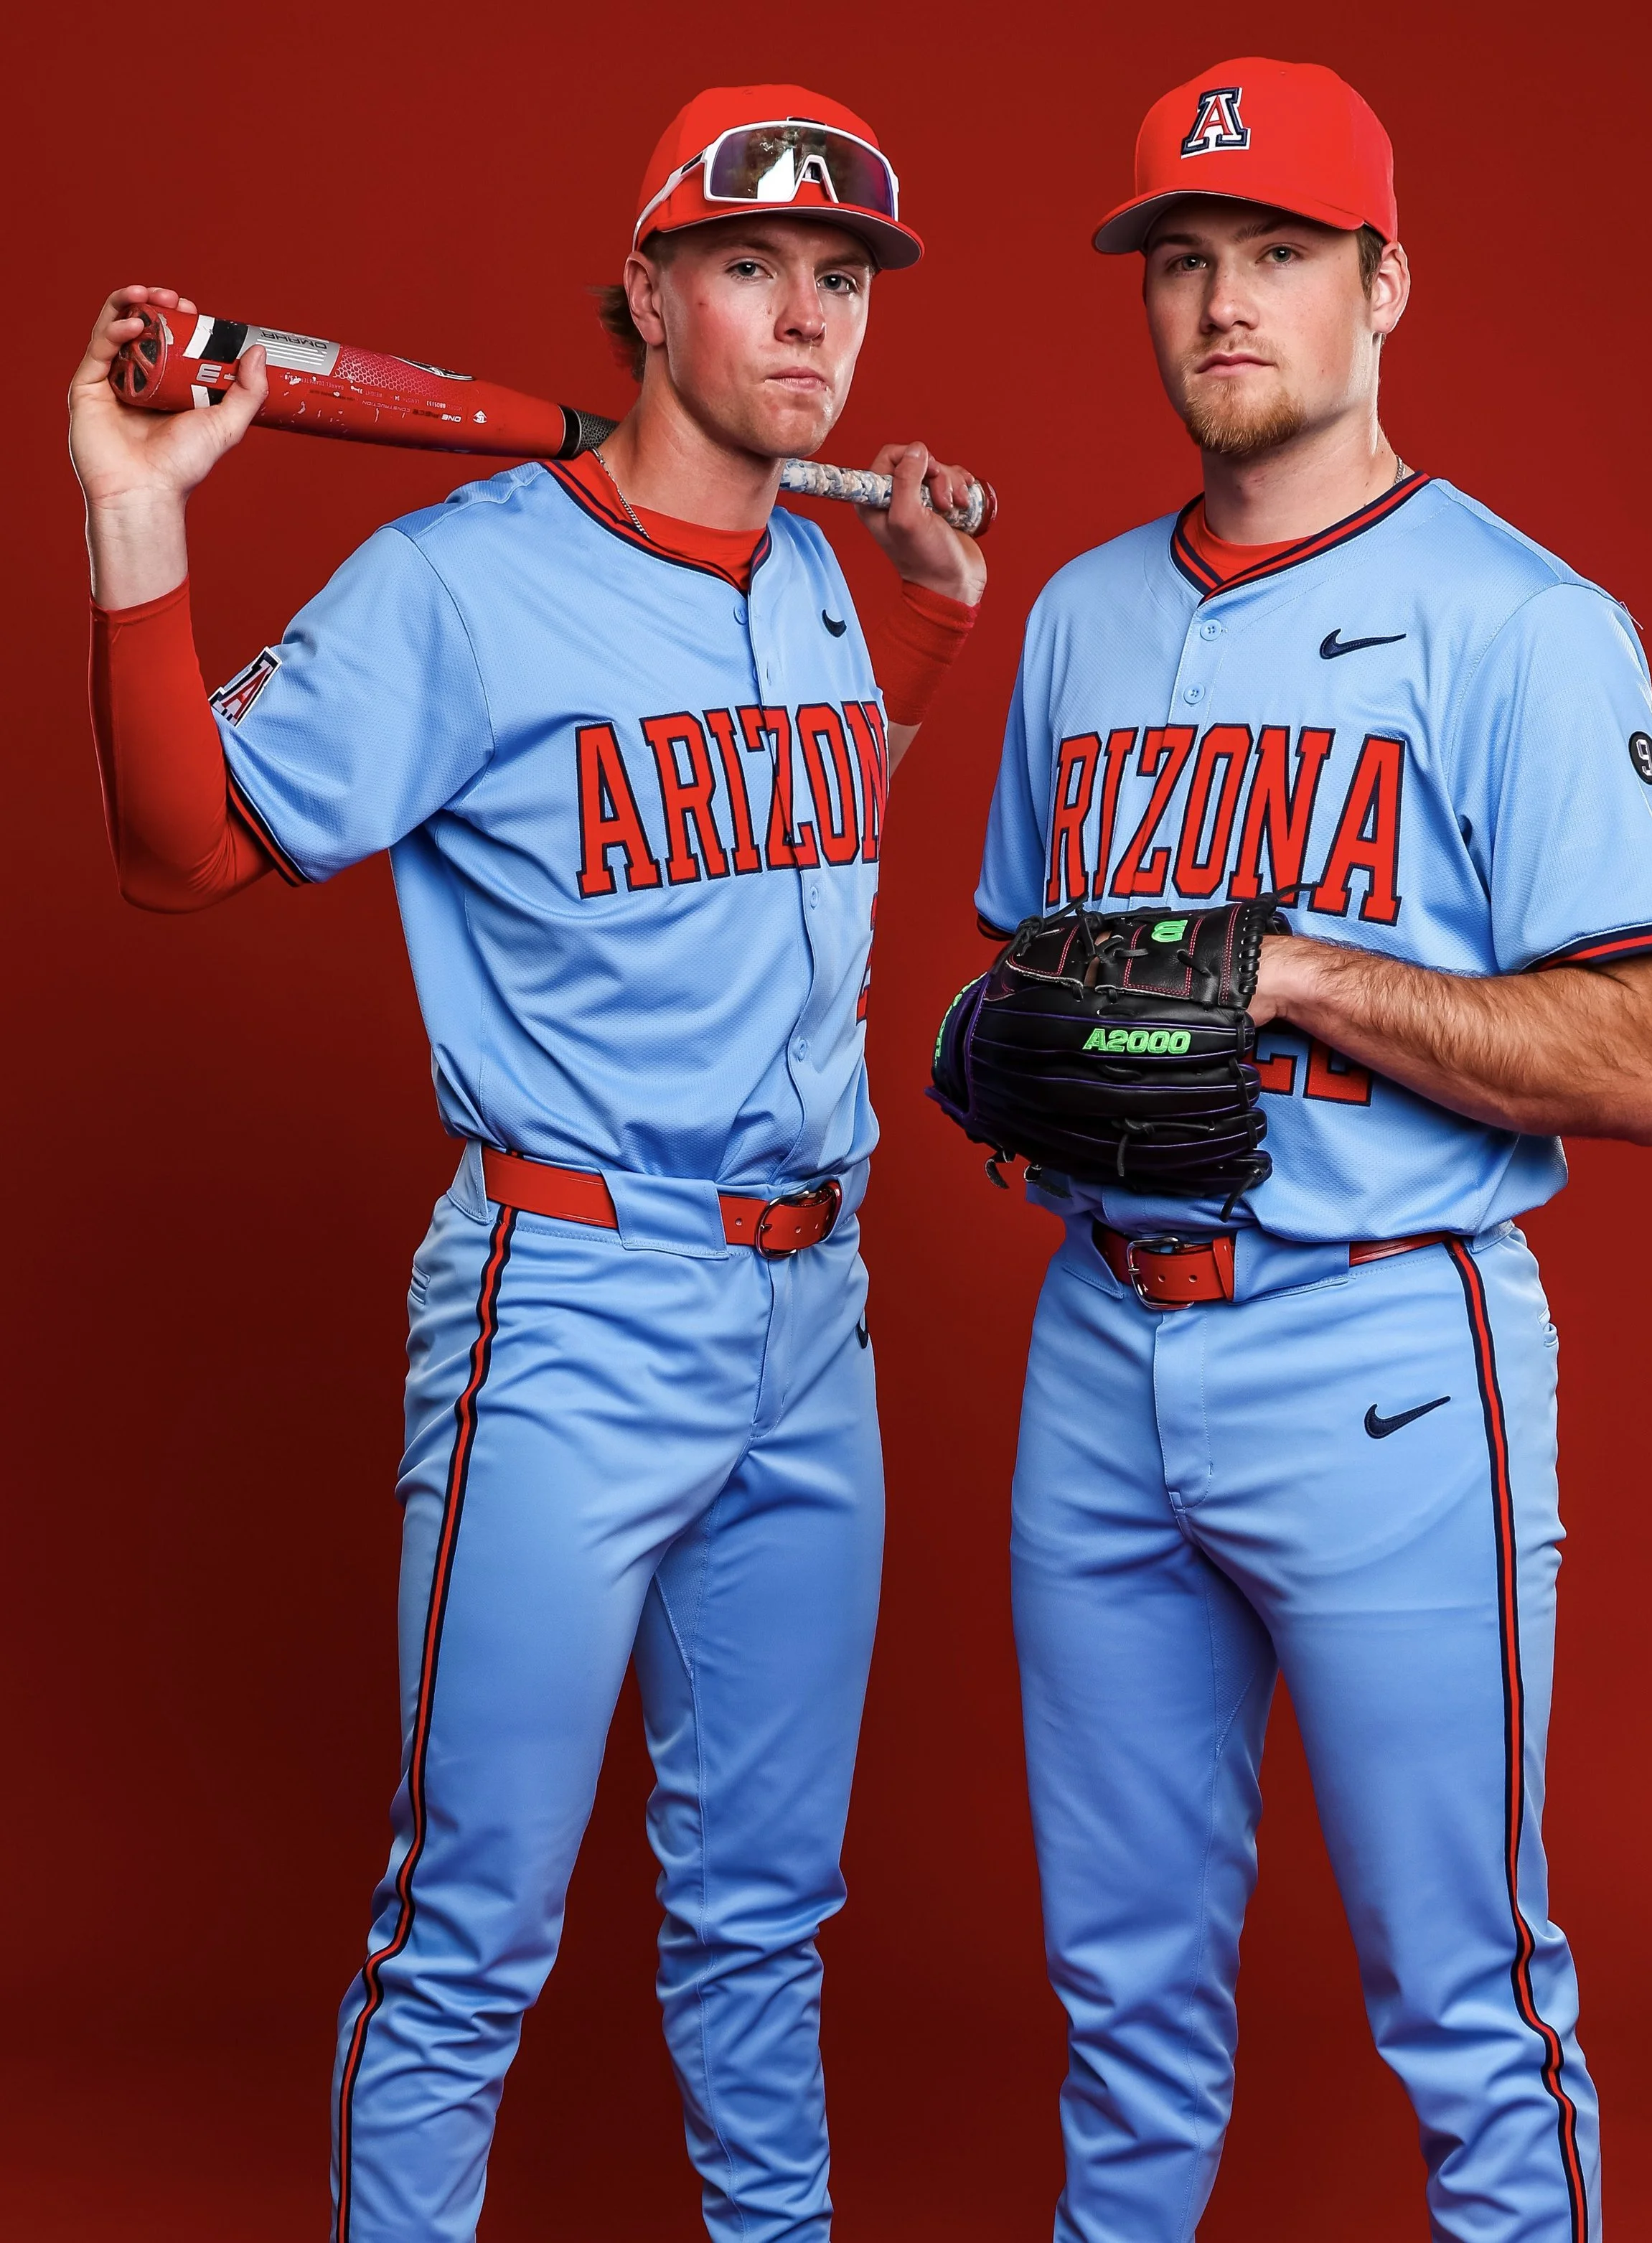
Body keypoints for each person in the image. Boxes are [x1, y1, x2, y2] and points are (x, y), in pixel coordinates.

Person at [70, 84, 985, 2243]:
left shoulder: (820, 584)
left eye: (838, 283)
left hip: (812, 1317)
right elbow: (179, 849)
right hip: (567, 1309)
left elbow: (805, 811)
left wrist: (931, 610)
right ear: (648, 293)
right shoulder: (460, 586)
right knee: (469, 1917)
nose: (802, 323)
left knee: (767, 1916)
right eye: (751, 268)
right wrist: (136, 515)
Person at [970, 57, 1652, 2243]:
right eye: (1181, 259)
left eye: (1275, 252)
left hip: (1382, 1354)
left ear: (1383, 283)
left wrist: (1298, 979)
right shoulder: (1079, 618)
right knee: (1116, 1999)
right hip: (1100, 1352)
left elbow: (1650, 1049)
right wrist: (1000, 1048)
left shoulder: (1524, 623)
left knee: (1465, 2001)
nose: (1222, 301)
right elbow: (1031, 966)